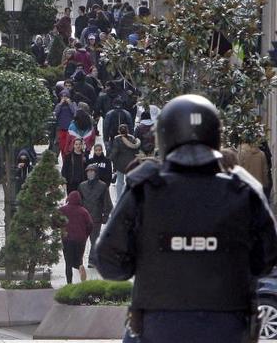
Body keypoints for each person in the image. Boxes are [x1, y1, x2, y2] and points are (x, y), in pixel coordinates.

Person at [96, 94, 277, 343]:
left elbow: (109, 263)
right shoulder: (242, 191)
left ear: (164, 137)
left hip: (159, 328)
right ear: (215, 137)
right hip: (227, 327)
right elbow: (266, 260)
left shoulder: (144, 189)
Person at [78, 164, 113, 268]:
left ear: (96, 173)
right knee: (81, 240)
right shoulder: (82, 186)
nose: (90, 173)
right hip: (83, 218)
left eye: (92, 171)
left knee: (94, 240)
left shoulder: (102, 186)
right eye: (88, 171)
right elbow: (78, 202)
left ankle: (92, 260)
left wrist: (105, 216)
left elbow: (108, 203)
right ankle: (78, 260)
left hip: (96, 218)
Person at [60, 190, 92, 284]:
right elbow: (90, 225)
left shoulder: (62, 210)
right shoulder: (83, 211)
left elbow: (55, 221)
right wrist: (86, 235)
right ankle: (80, 270)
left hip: (67, 239)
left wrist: (60, 229)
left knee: (68, 263)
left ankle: (69, 283)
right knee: (79, 260)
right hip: (80, 239)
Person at [108, 124, 140, 197]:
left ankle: (119, 198)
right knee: (130, 181)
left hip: (120, 165)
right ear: (127, 130)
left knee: (120, 182)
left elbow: (115, 152)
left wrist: (109, 159)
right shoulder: (132, 138)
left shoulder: (117, 139)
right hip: (131, 164)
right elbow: (136, 151)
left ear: (119, 131)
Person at [54, 90, 77, 157]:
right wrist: (60, 104)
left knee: (70, 145)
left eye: (66, 96)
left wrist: (70, 104)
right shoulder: (59, 105)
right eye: (62, 96)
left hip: (70, 129)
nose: (64, 98)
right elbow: (55, 113)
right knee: (61, 145)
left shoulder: (73, 104)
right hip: (61, 128)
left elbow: (75, 113)